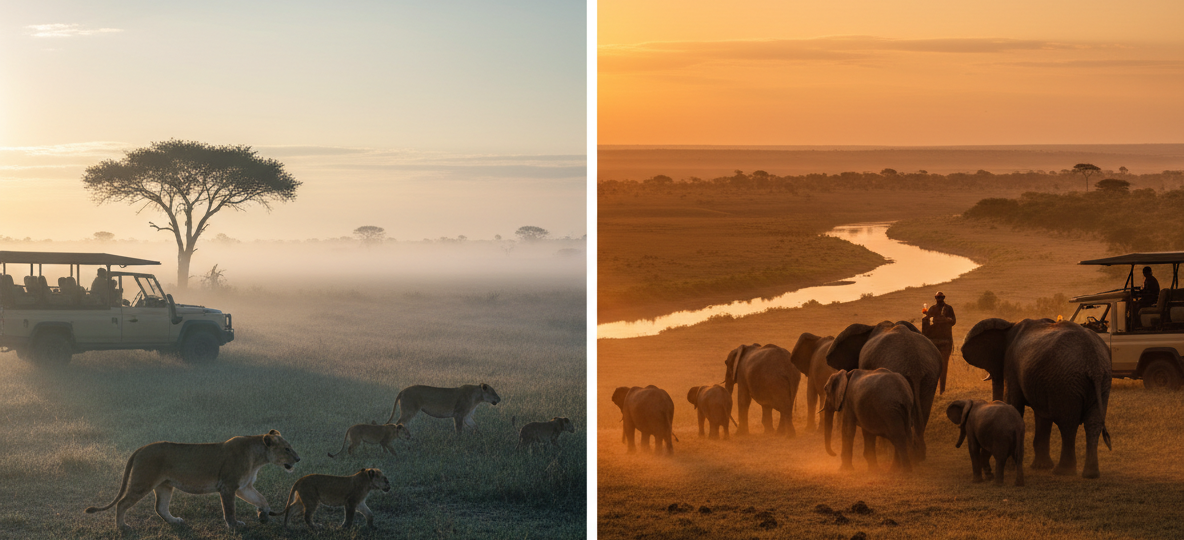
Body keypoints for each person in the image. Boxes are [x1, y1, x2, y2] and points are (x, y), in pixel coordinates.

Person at [922, 291, 956, 394]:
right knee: (933, 366)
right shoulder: (932, 309)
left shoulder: (948, 308)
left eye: (941, 298)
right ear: (935, 298)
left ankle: (942, 390)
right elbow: (927, 322)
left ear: (944, 298)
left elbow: (954, 321)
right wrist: (927, 317)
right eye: (938, 297)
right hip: (934, 340)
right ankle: (933, 389)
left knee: (944, 366)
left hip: (946, 340)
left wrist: (946, 320)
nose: (939, 299)